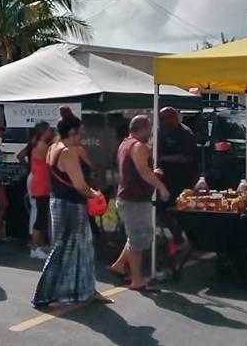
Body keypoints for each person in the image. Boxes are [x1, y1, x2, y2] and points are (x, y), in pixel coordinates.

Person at [32, 107, 113, 308]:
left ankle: (85, 290)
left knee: (82, 249)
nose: (83, 134)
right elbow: (80, 185)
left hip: (61, 203)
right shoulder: (67, 152)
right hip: (70, 205)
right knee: (64, 249)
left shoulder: (54, 147)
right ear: (72, 132)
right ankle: (46, 293)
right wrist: (96, 195)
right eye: (80, 131)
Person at [109, 115, 171, 291]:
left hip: (128, 197)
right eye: (149, 129)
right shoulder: (139, 146)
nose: (151, 133)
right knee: (138, 240)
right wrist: (161, 187)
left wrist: (154, 172)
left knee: (135, 235)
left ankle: (120, 265)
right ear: (143, 128)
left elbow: (138, 170)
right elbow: (143, 171)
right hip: (134, 199)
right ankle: (137, 280)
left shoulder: (125, 144)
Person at [157, 107, 197, 256]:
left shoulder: (186, 134)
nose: (163, 122)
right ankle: (178, 239)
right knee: (163, 210)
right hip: (166, 179)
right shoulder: (162, 131)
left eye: (165, 118)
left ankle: (187, 243)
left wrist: (162, 158)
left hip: (183, 180)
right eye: (161, 119)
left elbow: (187, 157)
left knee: (181, 212)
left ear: (174, 118)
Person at [27, 123, 55, 260]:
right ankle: (35, 247)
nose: (51, 133)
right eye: (49, 130)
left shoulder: (40, 144)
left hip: (42, 183)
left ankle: (38, 245)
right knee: (40, 217)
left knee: (42, 216)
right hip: (41, 184)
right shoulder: (42, 146)